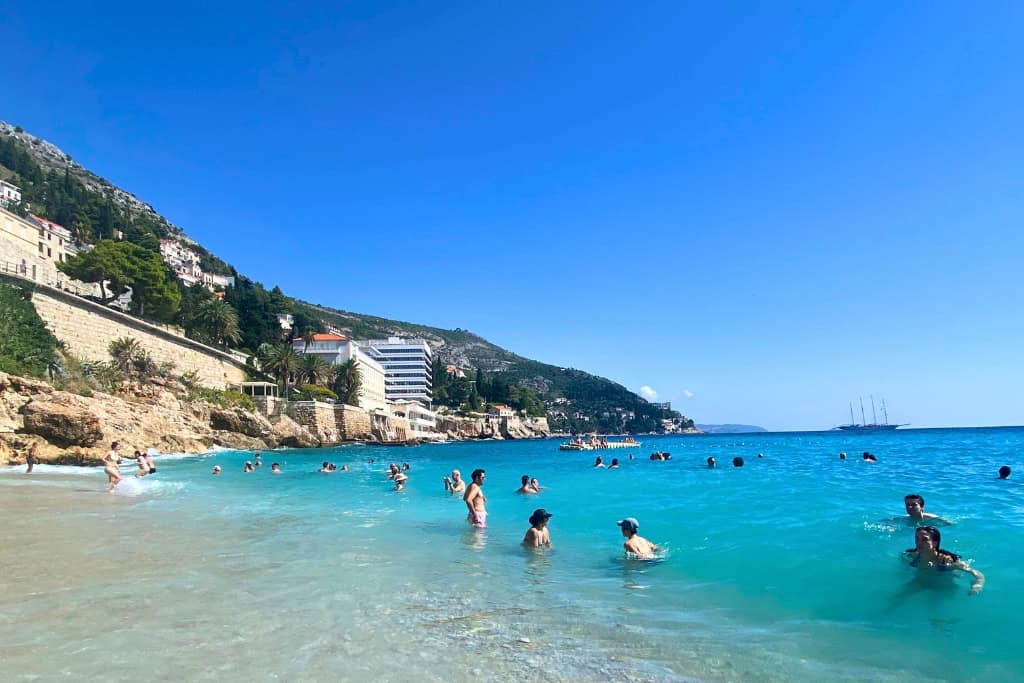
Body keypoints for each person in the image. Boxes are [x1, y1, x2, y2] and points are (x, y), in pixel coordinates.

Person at [904, 526, 984, 595]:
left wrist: (977, 586)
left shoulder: (945, 560)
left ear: (935, 543)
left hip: (943, 588)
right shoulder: (912, 555)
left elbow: (978, 574)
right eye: (917, 538)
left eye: (925, 539)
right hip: (921, 583)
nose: (919, 543)